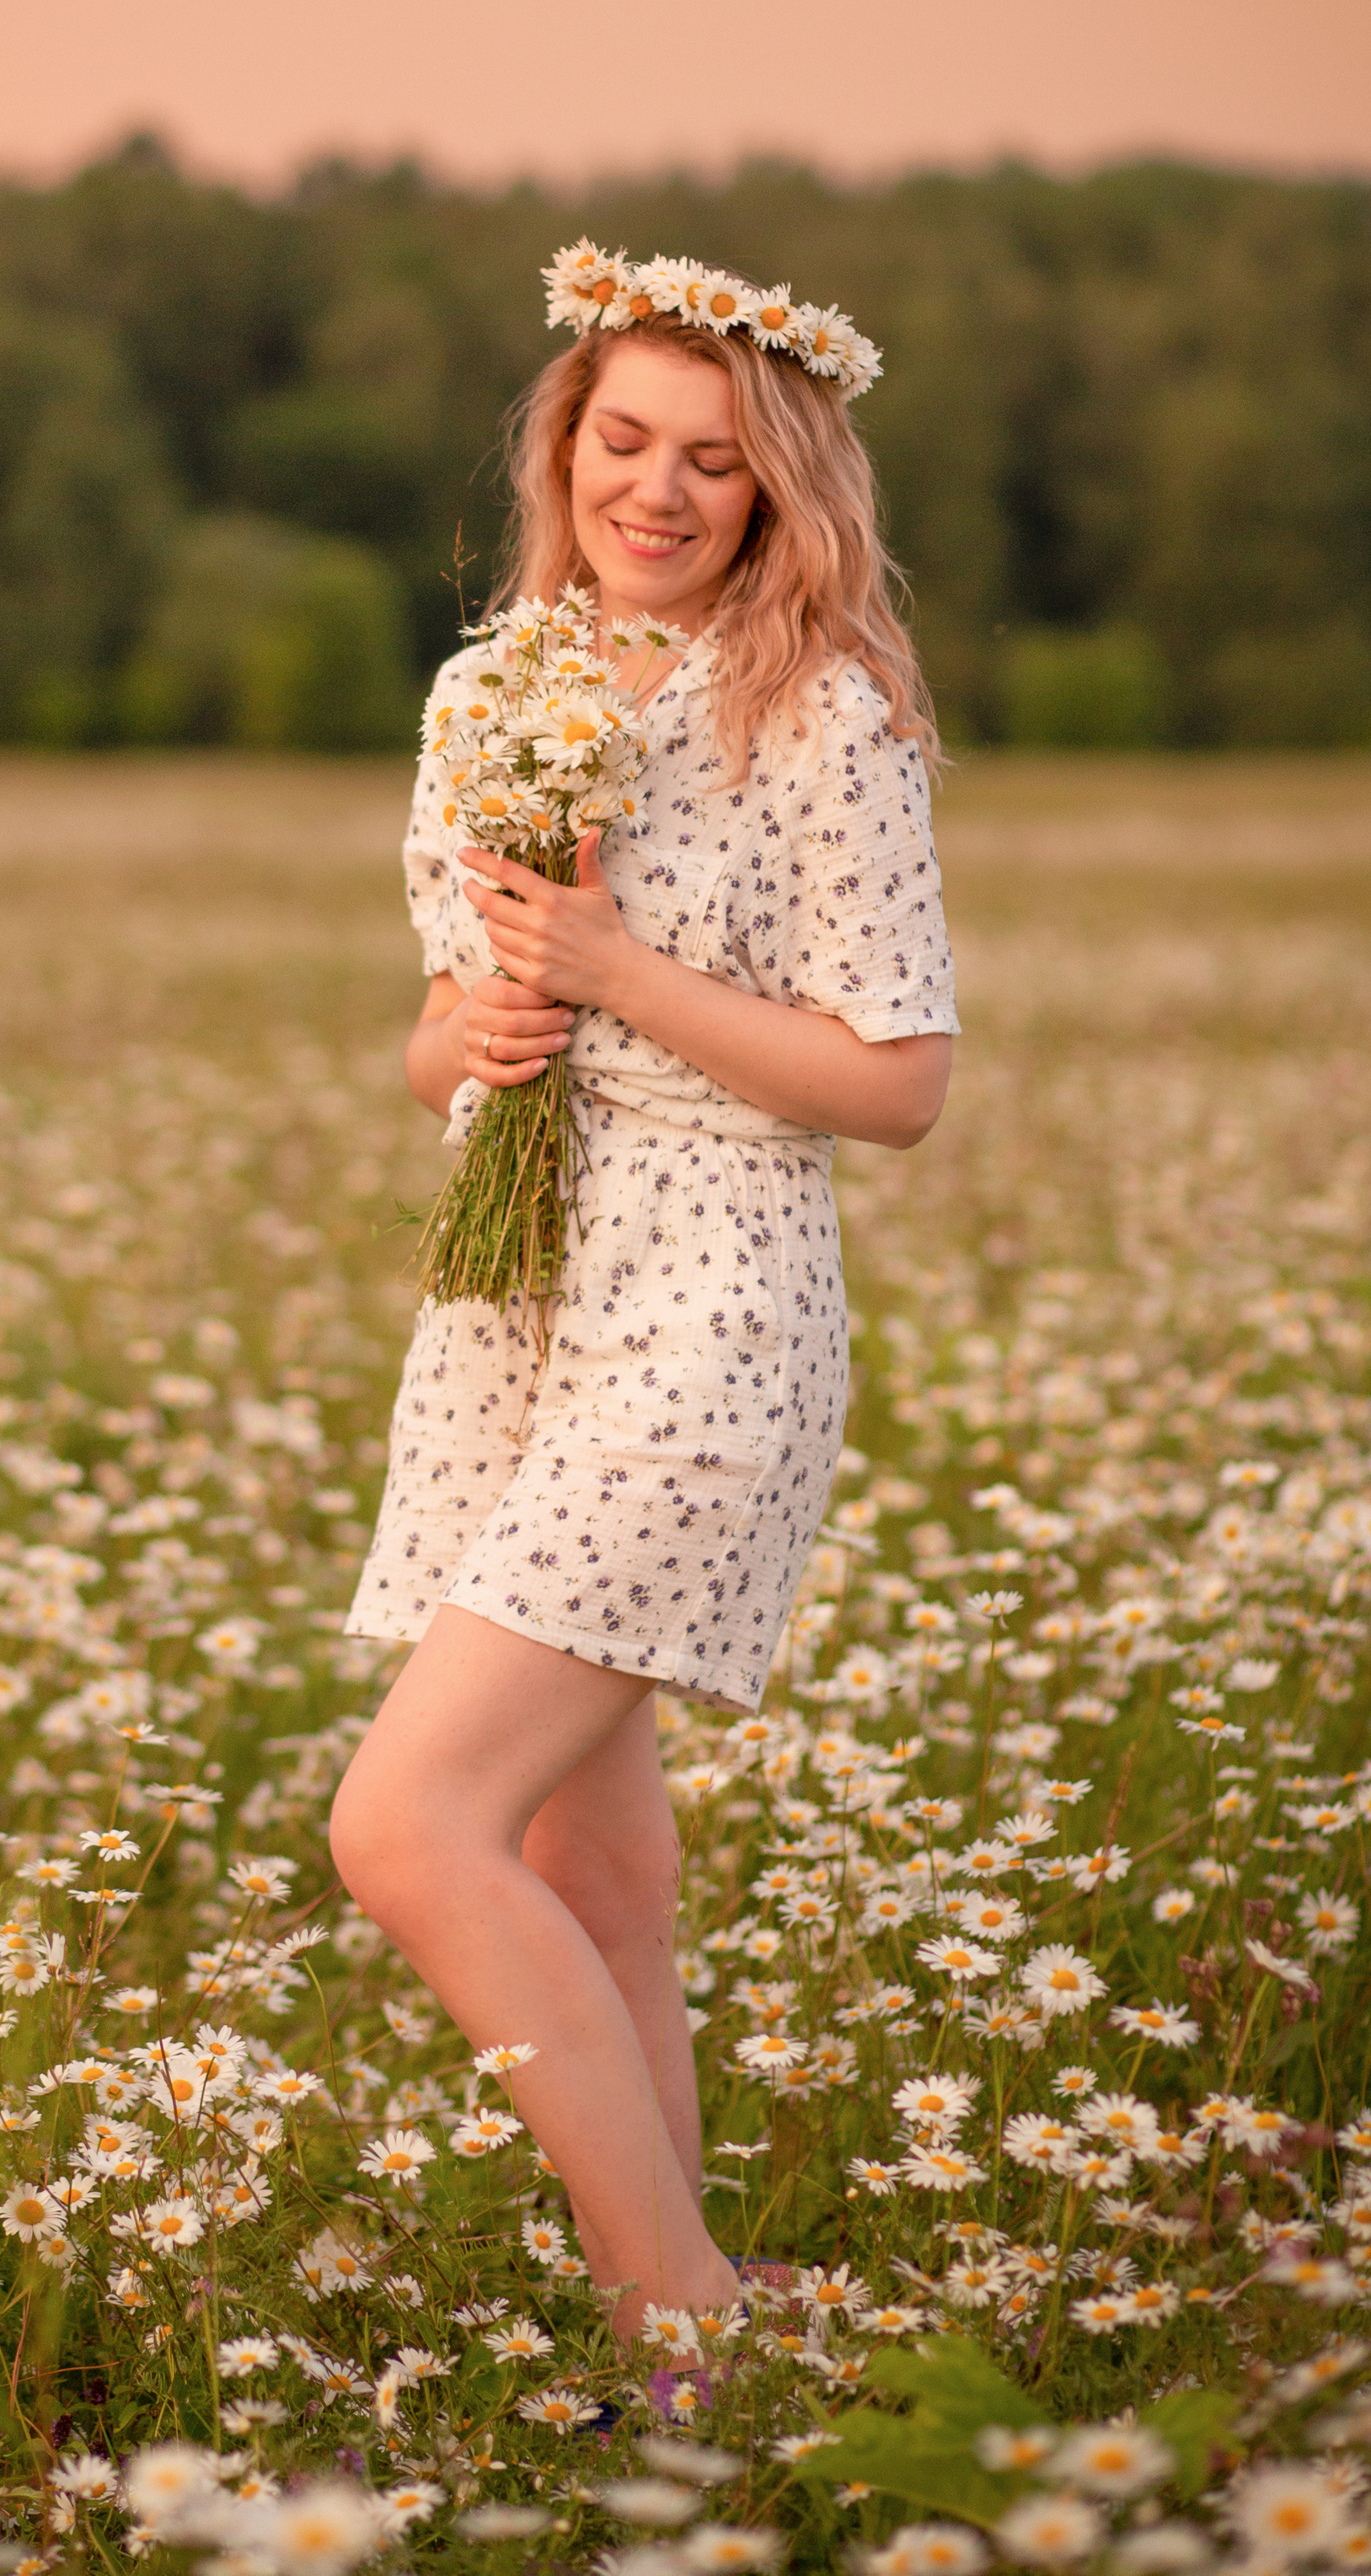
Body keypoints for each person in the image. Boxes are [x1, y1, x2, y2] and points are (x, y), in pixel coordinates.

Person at [329, 242, 956, 2342]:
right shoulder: (486, 691)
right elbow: (433, 1035)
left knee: (403, 1825)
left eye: (711, 459)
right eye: (623, 441)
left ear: (779, 488)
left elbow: (896, 1085)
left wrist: (615, 975)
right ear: (562, 446)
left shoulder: (819, 713)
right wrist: (478, 1032)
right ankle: (698, 2316)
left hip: (705, 1323)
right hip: (507, 1309)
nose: (656, 491)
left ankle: (672, 2312)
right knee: (588, 1870)